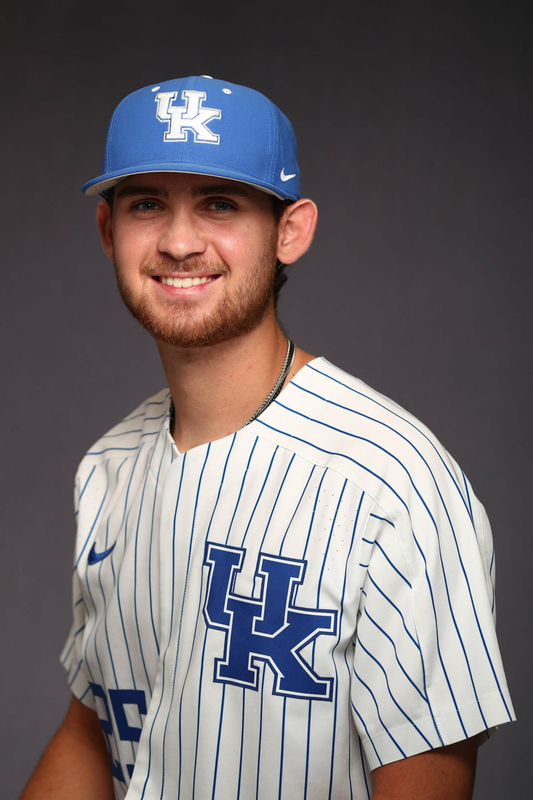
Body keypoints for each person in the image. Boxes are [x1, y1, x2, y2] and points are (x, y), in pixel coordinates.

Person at [21, 76, 515, 800]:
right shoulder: (108, 466)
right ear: (108, 233)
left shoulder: (394, 484)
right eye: (146, 203)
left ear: (291, 231)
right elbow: (93, 727)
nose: (179, 241)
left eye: (220, 203)